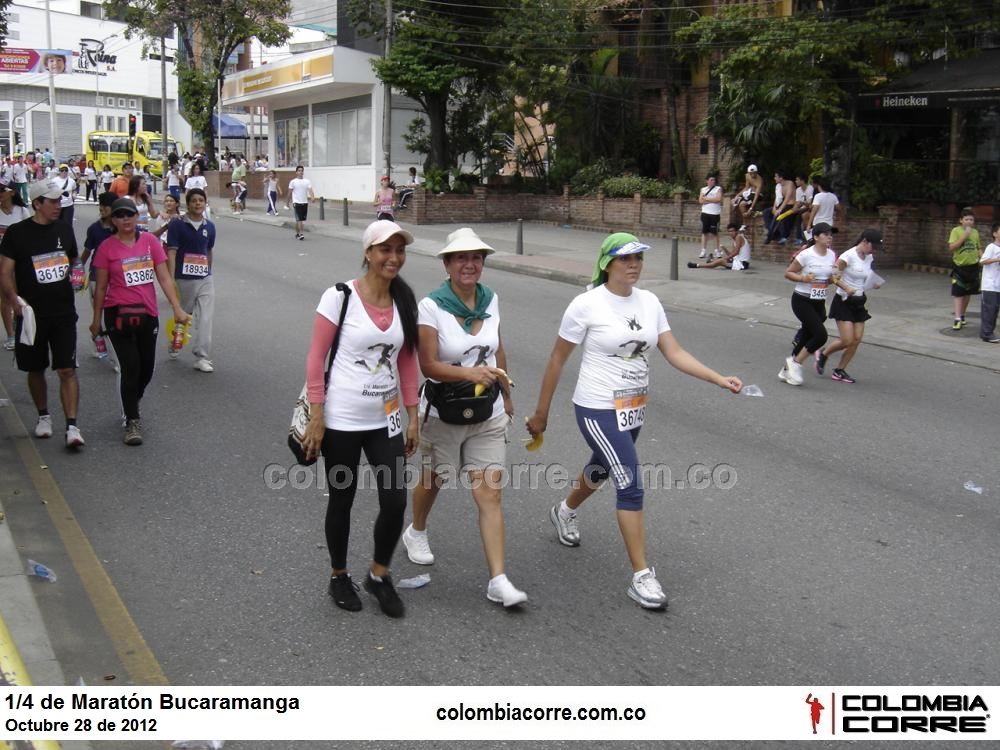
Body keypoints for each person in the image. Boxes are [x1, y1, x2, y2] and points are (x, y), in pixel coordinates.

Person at [526, 232, 742, 609]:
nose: (634, 265)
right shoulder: (586, 304)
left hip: (633, 407)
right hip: (596, 407)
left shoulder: (649, 302)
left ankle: (564, 511)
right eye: (625, 259)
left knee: (601, 467)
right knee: (630, 483)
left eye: (638, 258)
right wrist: (541, 413)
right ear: (607, 263)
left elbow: (674, 351)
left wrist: (718, 378)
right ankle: (642, 576)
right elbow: (557, 359)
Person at [299, 220, 420, 618]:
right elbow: (316, 357)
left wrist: (413, 414)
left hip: (386, 420)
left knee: (395, 500)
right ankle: (339, 575)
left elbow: (407, 361)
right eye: (385, 249)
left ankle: (379, 575)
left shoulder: (404, 301)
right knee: (342, 498)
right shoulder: (340, 297)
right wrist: (317, 415)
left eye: (399, 250)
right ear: (368, 253)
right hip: (342, 420)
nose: (394, 257)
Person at [400, 228, 526, 608]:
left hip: (487, 411)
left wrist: (506, 392)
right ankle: (416, 530)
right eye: (461, 258)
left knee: (489, 492)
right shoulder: (431, 306)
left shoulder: (491, 299)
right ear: (447, 264)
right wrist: (470, 374)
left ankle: (498, 580)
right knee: (435, 478)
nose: (469, 264)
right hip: (443, 411)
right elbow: (428, 365)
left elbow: (497, 348)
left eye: (476, 258)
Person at [89, 198, 189, 445]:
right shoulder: (106, 248)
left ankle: (132, 399)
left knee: (146, 369)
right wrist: (96, 320)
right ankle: (132, 421)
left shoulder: (149, 242)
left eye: (129, 215)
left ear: (136, 217)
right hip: (118, 315)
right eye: (120, 215)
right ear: (113, 220)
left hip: (147, 314)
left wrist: (177, 308)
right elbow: (100, 287)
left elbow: (164, 278)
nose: (125, 219)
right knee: (130, 367)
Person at [0, 180, 86, 448]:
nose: (58, 206)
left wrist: (78, 272)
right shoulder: (17, 233)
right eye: (53, 201)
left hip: (63, 312)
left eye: (60, 200)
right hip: (31, 315)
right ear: (37, 203)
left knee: (67, 369)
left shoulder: (64, 229)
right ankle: (43, 416)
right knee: (35, 368)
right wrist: (15, 301)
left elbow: (74, 259)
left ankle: (72, 426)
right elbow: (5, 272)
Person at [815, 229, 883, 383]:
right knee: (847, 340)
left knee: (856, 339)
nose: (874, 251)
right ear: (864, 241)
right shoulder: (847, 256)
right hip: (844, 301)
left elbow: (866, 274)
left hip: (859, 301)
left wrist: (874, 282)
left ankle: (840, 370)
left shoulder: (869, 257)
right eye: (873, 246)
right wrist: (846, 288)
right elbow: (833, 276)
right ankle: (824, 354)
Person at [778, 223, 838, 386]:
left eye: (831, 235)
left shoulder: (831, 255)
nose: (830, 237)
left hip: (819, 301)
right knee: (820, 335)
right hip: (802, 300)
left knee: (806, 336)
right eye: (826, 234)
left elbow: (829, 278)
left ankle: (786, 370)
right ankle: (796, 364)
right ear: (816, 237)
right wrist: (803, 278)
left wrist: (833, 279)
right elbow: (788, 273)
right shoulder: (806, 254)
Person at [165, 188, 217, 373]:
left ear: (205, 203)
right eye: (194, 200)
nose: (197, 203)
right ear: (188, 204)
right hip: (184, 278)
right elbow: (172, 252)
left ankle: (202, 357)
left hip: (205, 278)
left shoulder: (210, 227)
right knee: (183, 316)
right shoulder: (177, 224)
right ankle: (175, 341)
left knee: (205, 318)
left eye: (201, 200)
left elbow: (208, 250)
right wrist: (171, 278)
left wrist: (208, 272)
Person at [80, 192, 118, 362]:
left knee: (114, 314)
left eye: (106, 206)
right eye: (100, 205)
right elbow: (87, 252)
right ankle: (98, 339)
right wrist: (77, 270)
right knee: (99, 311)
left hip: (117, 277)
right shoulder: (94, 229)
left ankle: (113, 347)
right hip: (96, 276)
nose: (102, 208)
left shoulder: (121, 227)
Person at [0, 181, 32, 351]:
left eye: (2, 191)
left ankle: (19, 324)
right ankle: (11, 335)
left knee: (20, 295)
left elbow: (30, 235)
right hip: (2, 262)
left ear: (12, 192)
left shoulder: (22, 211)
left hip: (20, 261)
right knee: (5, 297)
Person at [948, 207, 982, 331]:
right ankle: (957, 318)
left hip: (973, 267)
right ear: (961, 220)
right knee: (958, 293)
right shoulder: (956, 231)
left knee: (968, 293)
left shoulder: (975, 232)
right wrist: (964, 236)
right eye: (966, 219)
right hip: (959, 267)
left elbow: (978, 248)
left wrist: (983, 258)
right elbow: (951, 247)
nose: (969, 221)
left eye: (971, 219)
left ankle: (962, 315)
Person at [978, 222, 1000, 344]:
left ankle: (987, 332)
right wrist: (997, 259)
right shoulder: (991, 247)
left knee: (995, 310)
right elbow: (983, 261)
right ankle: (987, 334)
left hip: (998, 285)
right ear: (995, 234)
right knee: (989, 310)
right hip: (989, 285)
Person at [763, 169, 796, 245]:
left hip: (790, 205)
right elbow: (777, 198)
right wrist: (774, 207)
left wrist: (780, 209)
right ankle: (774, 233)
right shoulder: (778, 186)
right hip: (782, 205)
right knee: (766, 212)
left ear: (781, 178)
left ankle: (770, 235)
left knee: (777, 215)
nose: (774, 178)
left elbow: (787, 199)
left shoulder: (790, 184)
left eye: (776, 176)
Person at [697, 173, 723, 259]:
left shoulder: (718, 189)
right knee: (704, 232)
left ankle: (717, 250)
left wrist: (706, 199)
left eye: (714, 180)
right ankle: (703, 251)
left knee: (715, 232)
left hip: (715, 214)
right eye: (711, 180)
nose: (713, 181)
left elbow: (718, 199)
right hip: (705, 213)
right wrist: (712, 200)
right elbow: (700, 201)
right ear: (707, 181)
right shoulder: (703, 189)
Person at [286, 165, 314, 241]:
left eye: (302, 171)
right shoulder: (293, 182)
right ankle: (301, 234)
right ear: (296, 172)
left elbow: (310, 190)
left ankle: (298, 233)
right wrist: (287, 203)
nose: (300, 172)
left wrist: (312, 197)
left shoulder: (307, 181)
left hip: (304, 202)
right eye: (299, 170)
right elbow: (289, 193)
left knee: (301, 220)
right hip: (296, 202)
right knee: (299, 219)